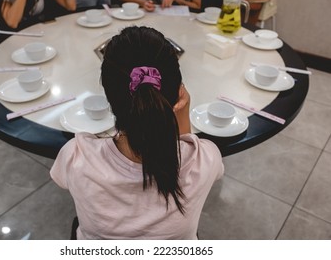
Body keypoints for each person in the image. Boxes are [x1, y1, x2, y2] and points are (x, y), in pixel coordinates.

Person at [50, 26, 224, 239]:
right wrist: (182, 112)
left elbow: (61, 179)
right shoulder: (205, 160)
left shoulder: (75, 157)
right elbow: (183, 147)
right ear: (176, 93)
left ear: (109, 95)